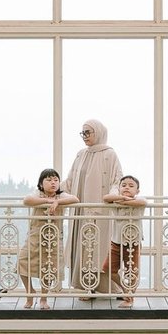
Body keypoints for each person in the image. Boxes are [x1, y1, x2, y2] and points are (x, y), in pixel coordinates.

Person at [64, 119, 123, 292]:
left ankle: (104, 288)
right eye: (83, 133)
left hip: (100, 210)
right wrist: (49, 192)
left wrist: (112, 195)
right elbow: (70, 181)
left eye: (88, 132)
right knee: (83, 247)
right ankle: (85, 287)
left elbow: (117, 179)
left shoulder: (109, 154)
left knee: (98, 248)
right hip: (80, 209)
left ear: (98, 133)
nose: (85, 136)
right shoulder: (81, 154)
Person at [17, 169, 79, 308]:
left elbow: (75, 199)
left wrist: (57, 202)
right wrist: (46, 201)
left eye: (56, 180)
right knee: (22, 261)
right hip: (35, 236)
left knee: (48, 267)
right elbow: (27, 200)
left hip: (53, 238)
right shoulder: (38, 194)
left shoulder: (61, 195)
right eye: (49, 180)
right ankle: (30, 292)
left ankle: (44, 298)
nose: (53, 183)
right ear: (41, 183)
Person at [102, 175, 147, 306]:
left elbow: (143, 202)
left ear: (137, 191)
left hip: (134, 243)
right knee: (108, 269)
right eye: (124, 185)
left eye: (131, 186)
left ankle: (130, 299)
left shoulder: (139, 201)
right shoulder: (116, 202)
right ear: (119, 188)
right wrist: (123, 197)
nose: (127, 187)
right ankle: (126, 290)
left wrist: (124, 201)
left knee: (132, 271)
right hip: (116, 242)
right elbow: (106, 198)